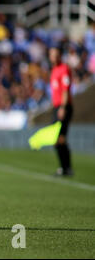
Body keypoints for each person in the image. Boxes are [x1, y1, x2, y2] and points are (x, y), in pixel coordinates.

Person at [49, 47, 74, 177]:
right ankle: (65, 168)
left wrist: (63, 107)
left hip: (63, 107)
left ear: (60, 56)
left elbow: (65, 89)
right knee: (57, 138)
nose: (54, 58)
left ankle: (66, 168)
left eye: (56, 55)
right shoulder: (54, 70)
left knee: (60, 138)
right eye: (52, 55)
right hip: (57, 106)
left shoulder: (64, 69)